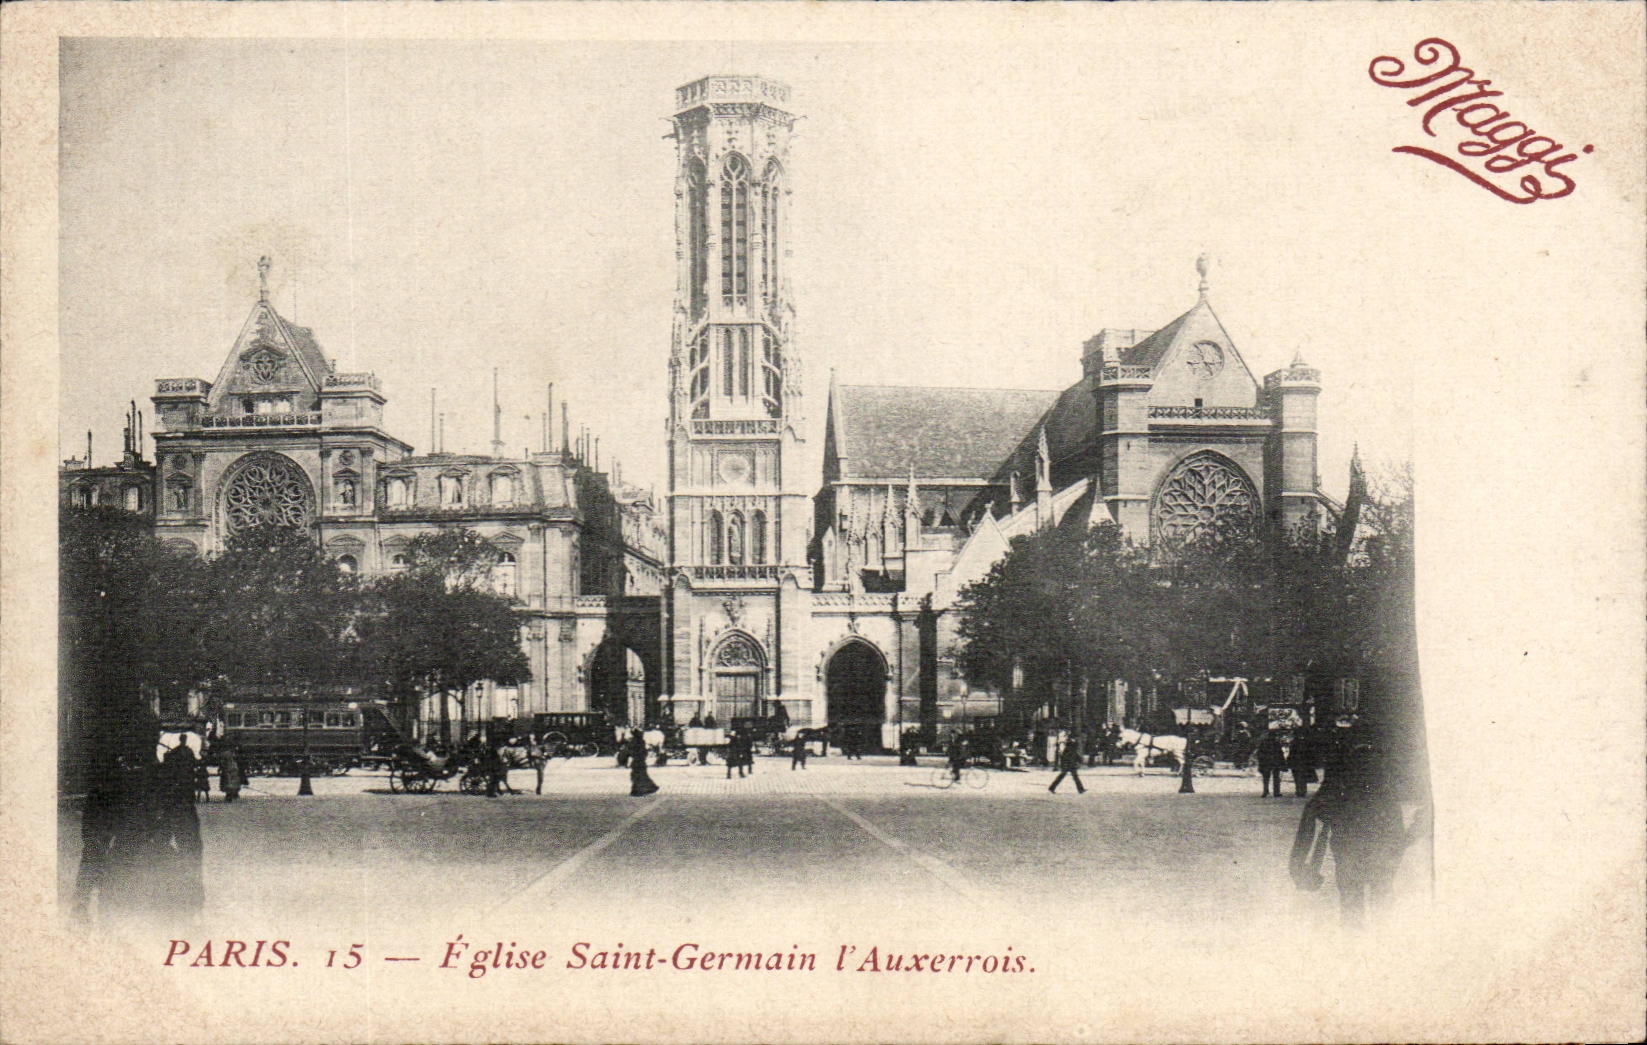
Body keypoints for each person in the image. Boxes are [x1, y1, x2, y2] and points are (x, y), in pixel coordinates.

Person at [1256, 724, 1286, 798]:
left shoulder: (1264, 743)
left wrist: (1261, 761)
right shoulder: (1276, 743)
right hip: (1274, 762)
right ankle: (1275, 792)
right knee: (1275, 778)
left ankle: (1266, 791)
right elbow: (1280, 754)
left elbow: (1259, 753)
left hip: (1267, 762)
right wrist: (1283, 763)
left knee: (1267, 778)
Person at [627, 730, 659, 796]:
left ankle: (638, 790)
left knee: (637, 776)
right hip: (641, 762)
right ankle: (651, 787)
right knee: (642, 776)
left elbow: (630, 751)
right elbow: (644, 752)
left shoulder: (634, 742)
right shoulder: (642, 742)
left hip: (637, 762)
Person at [1289, 724, 1318, 797]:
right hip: (1302, 762)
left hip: (1297, 762)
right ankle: (1302, 790)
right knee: (1302, 777)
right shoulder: (1305, 742)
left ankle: (1299, 790)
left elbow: (1291, 753)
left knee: (1298, 777)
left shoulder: (1295, 742)